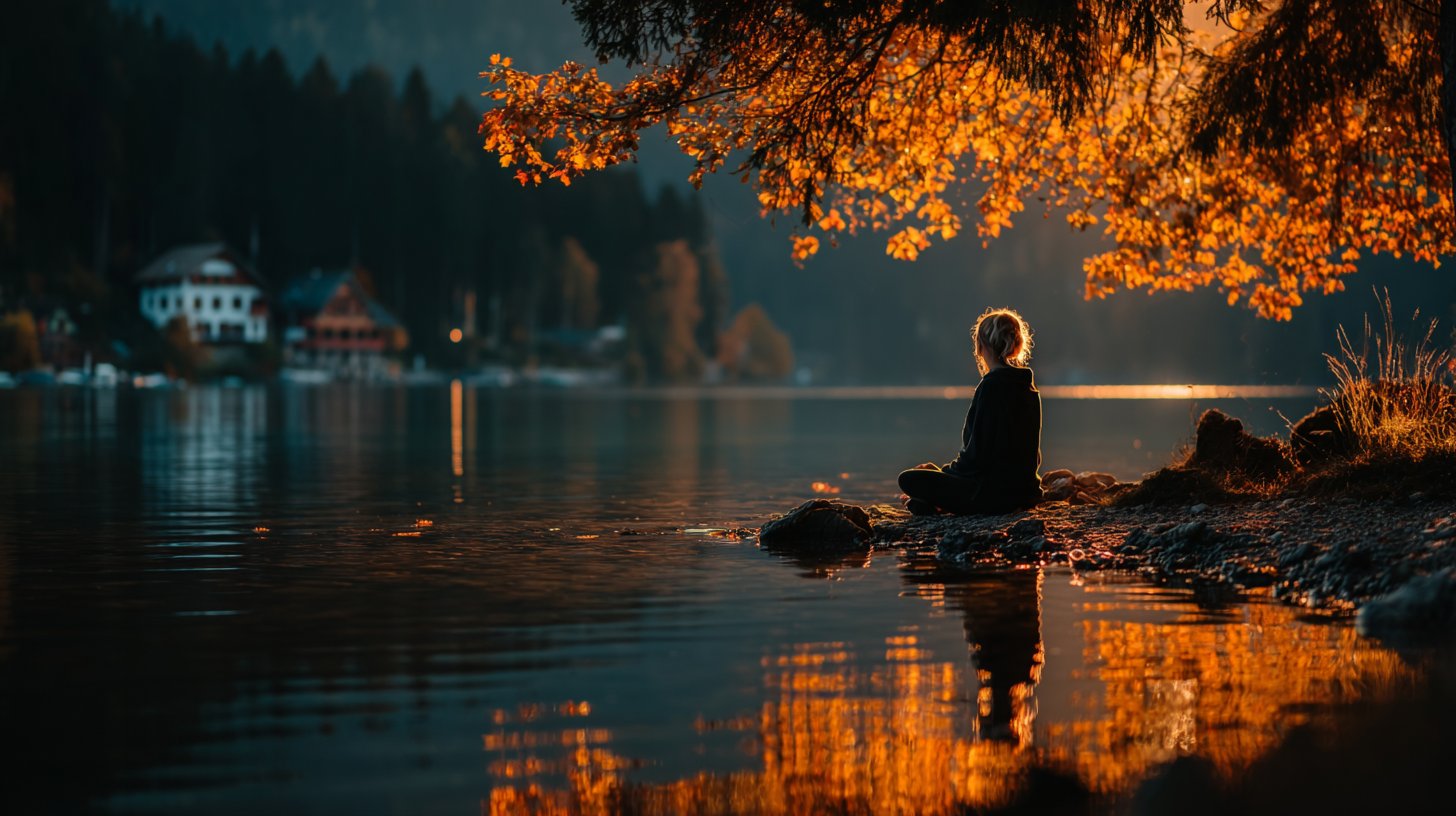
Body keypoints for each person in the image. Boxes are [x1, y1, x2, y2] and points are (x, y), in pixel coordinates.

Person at [899, 308, 1043, 515]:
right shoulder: (1028, 387)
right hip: (1025, 492)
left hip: (991, 496)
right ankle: (926, 503)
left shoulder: (991, 386)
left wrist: (943, 473)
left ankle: (928, 503)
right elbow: (1032, 455)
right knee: (929, 476)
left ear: (980, 346)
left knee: (908, 479)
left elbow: (977, 458)